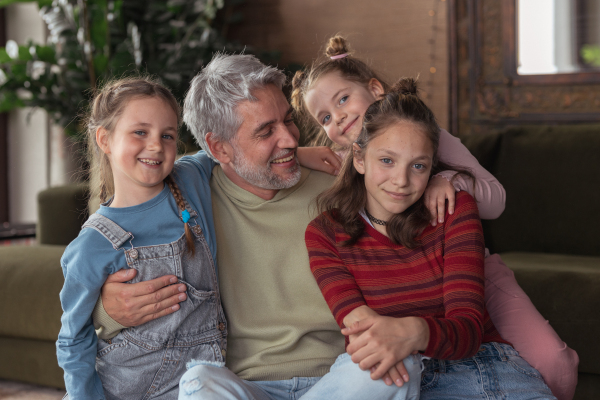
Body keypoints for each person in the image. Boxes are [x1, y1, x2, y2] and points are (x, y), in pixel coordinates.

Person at [92, 54, 414, 400]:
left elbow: (409, 195)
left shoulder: (339, 181)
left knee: (401, 367)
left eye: (288, 121)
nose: (290, 140)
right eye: (266, 131)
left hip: (340, 374)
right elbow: (110, 260)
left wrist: (447, 180)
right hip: (248, 385)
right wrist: (108, 309)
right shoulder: (189, 201)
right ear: (219, 147)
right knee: (198, 383)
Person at [291, 35, 578, 400]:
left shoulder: (433, 141)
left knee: (555, 361)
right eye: (326, 117)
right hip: (408, 338)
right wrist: (295, 150)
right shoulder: (339, 167)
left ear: (375, 89)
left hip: (473, 268)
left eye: (344, 98)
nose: (340, 117)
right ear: (360, 159)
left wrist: (447, 179)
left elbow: (495, 200)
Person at [56, 76, 338, 400]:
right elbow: (73, 339)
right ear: (104, 139)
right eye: (140, 132)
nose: (155, 145)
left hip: (195, 385)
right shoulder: (92, 244)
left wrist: (298, 154)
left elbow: (241, 150)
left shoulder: (190, 179)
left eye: (168, 135)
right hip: (125, 387)